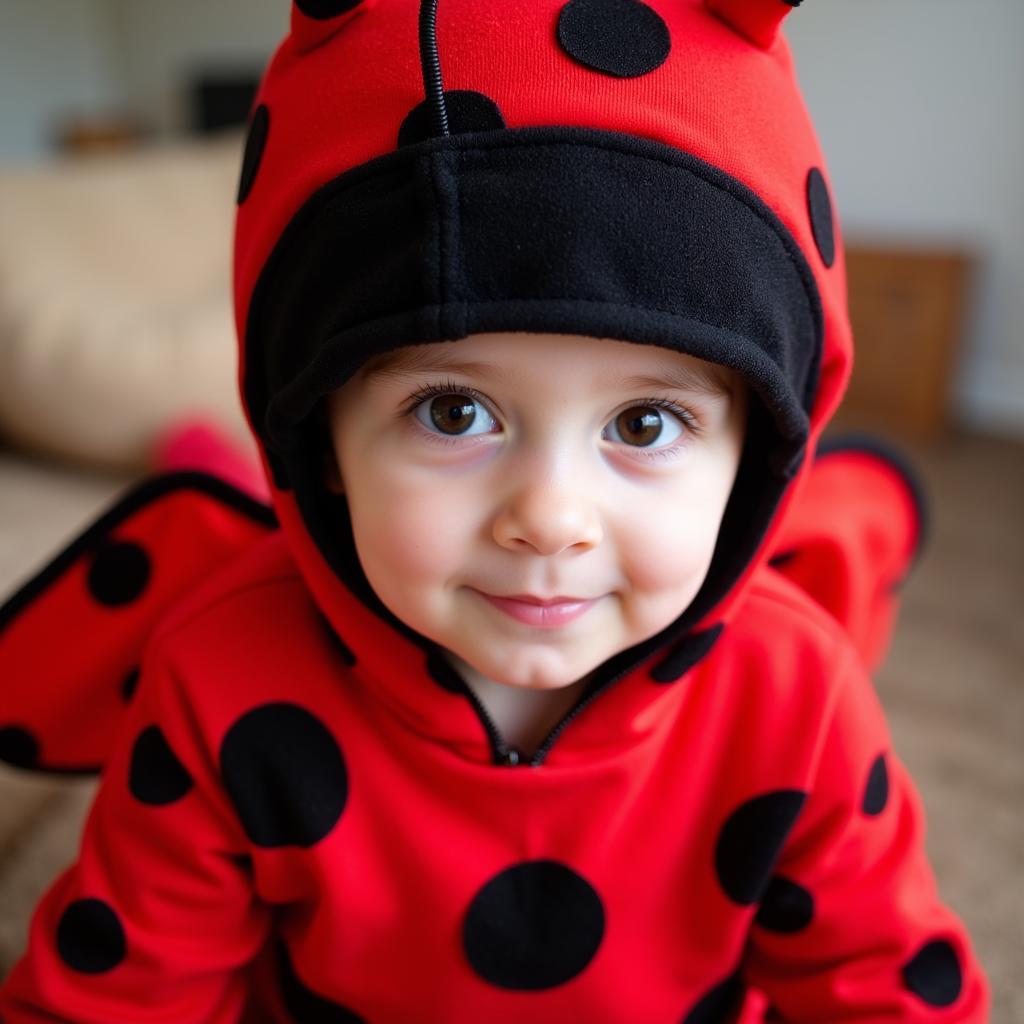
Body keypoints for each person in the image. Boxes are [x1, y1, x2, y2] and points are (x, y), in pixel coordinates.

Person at [0, 0, 991, 1020]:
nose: (550, 518)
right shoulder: (215, 674)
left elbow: (886, 987)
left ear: (758, 458)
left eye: (645, 425)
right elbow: (113, 997)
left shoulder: (796, 690)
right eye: (453, 410)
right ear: (317, 438)